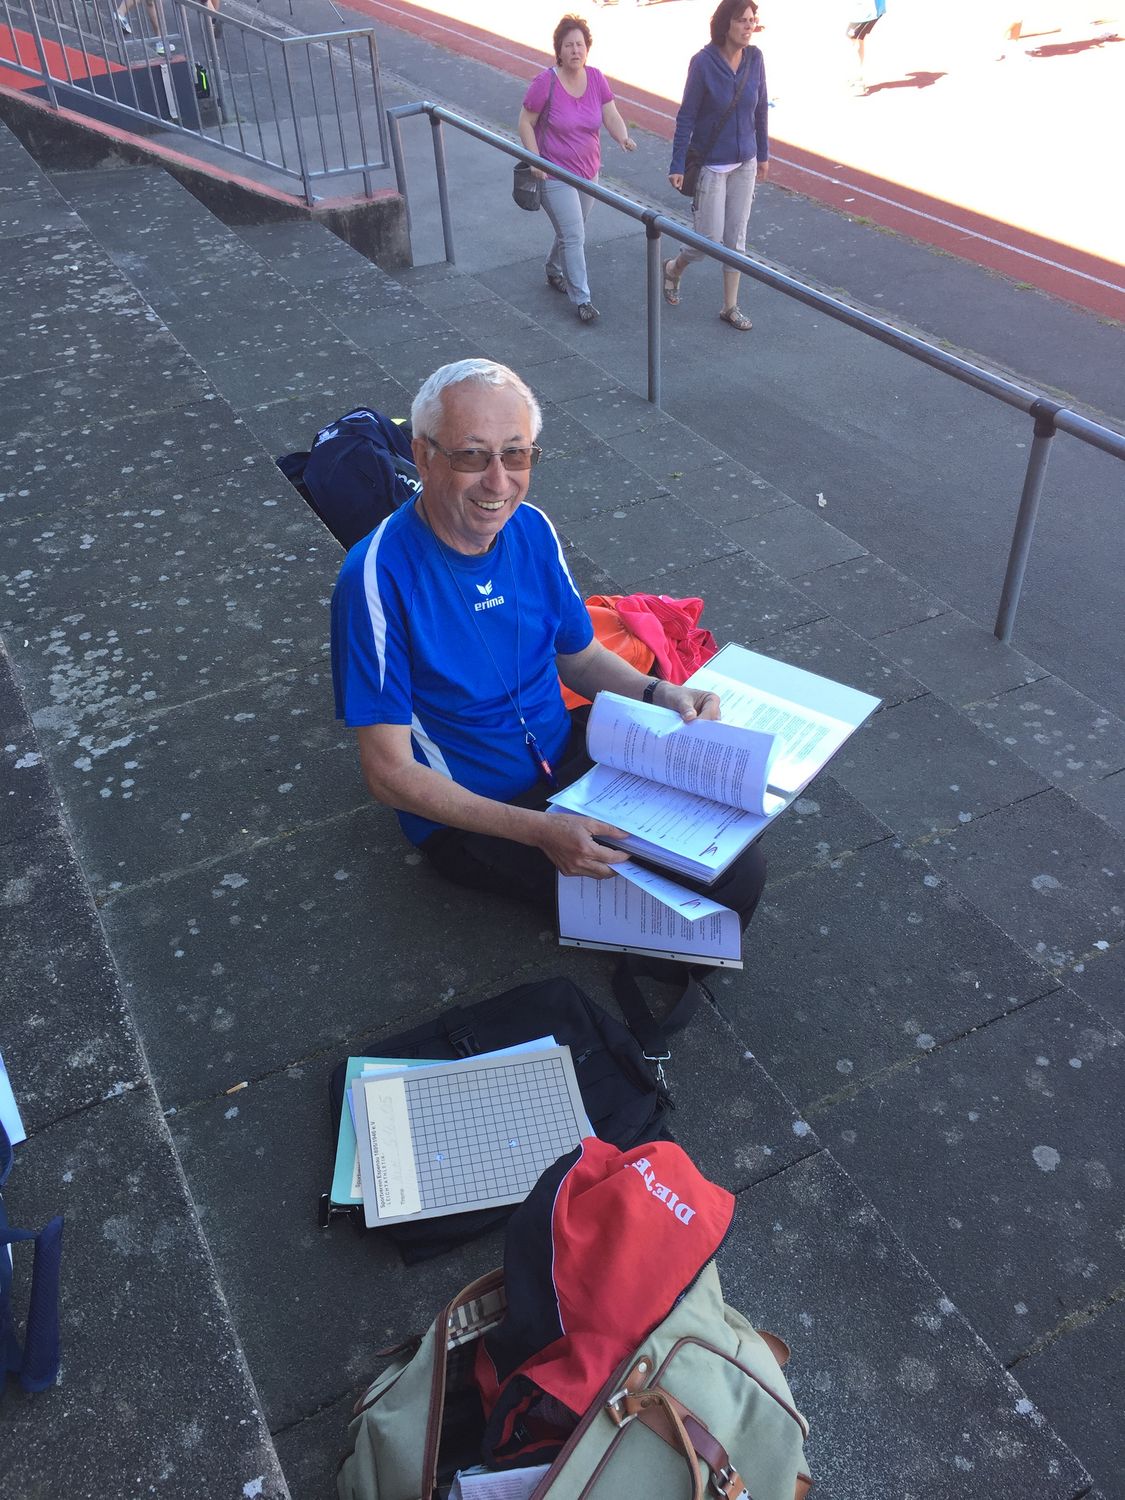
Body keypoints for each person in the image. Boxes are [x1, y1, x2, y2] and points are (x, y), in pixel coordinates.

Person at [330, 358, 767, 958]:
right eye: (472, 456)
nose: (498, 482)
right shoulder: (376, 577)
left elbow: (578, 657)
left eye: (516, 454)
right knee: (692, 914)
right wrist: (540, 832)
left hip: (567, 758)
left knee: (730, 855)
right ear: (424, 456)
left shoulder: (531, 528)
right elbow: (389, 774)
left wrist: (660, 691)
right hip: (479, 813)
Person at [517, 14, 637, 326]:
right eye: (569, 45)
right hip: (554, 173)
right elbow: (525, 122)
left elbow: (610, 114)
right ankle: (582, 299)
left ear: (587, 48)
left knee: (573, 228)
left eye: (580, 45)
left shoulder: (595, 78)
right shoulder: (545, 83)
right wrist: (535, 160)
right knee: (573, 234)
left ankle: (553, 267)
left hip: (588, 171)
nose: (575, 50)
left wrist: (623, 137)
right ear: (559, 50)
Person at [664, 0, 769, 333]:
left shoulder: (755, 59)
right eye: (742, 20)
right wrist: (677, 162)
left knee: (736, 239)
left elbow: (760, 109)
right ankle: (674, 268)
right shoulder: (703, 63)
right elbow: (687, 116)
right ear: (726, 24)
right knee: (707, 240)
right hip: (712, 164)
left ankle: (730, 306)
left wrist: (763, 155)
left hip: (745, 162)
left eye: (752, 20)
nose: (749, 26)